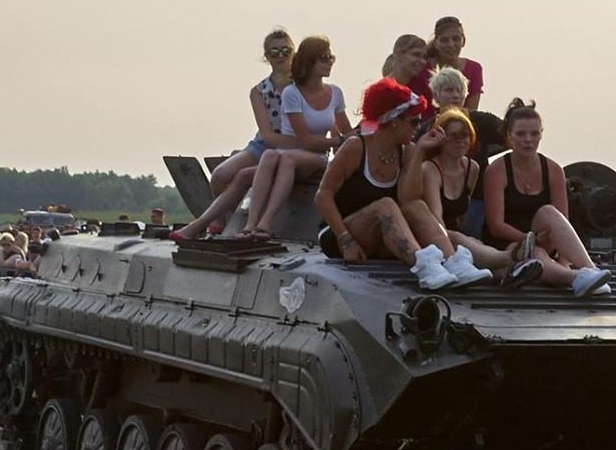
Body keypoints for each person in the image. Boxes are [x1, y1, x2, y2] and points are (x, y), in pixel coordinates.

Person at [314, 79, 489, 291]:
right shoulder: (356, 147)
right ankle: (423, 264)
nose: (417, 127)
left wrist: (420, 153)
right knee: (385, 204)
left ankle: (453, 261)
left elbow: (409, 199)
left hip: (384, 234)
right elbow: (323, 196)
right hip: (341, 235)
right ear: (394, 121)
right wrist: (345, 240)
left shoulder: (407, 151)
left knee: (416, 206)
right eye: (413, 122)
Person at [399, 107, 544, 288]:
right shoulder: (430, 169)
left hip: (456, 237)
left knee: (473, 244)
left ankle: (511, 272)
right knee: (457, 238)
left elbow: (462, 213)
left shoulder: (472, 168)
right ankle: (513, 256)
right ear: (441, 138)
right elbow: (436, 216)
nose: (461, 141)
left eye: (466, 135)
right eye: (454, 135)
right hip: (433, 236)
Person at [174, 30, 298, 240]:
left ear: (293, 52)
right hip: (264, 144)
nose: (281, 56)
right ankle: (225, 218)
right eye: (275, 51)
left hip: (293, 146)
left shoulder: (301, 87)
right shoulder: (259, 91)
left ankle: (240, 221)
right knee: (221, 175)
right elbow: (266, 134)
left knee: (245, 176)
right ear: (266, 56)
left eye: (285, 50)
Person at [479, 99, 611, 296]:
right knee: (534, 254)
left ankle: (590, 270)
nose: (528, 140)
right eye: (521, 134)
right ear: (509, 136)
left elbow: (562, 222)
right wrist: (529, 240)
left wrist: (562, 258)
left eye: (534, 134)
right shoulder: (497, 171)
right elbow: (496, 226)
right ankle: (575, 279)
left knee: (548, 212)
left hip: (544, 238)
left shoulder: (553, 170)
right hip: (508, 244)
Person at [242, 36, 349, 240]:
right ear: (310, 62)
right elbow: (304, 138)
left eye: (331, 58)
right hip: (294, 150)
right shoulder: (292, 93)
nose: (330, 62)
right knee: (270, 156)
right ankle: (250, 224)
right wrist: (337, 141)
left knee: (285, 159)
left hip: (316, 157)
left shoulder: (335, 93)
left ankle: (266, 223)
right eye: (324, 58)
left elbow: (345, 130)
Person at [427, 16, 485, 111]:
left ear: (463, 41)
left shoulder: (474, 69)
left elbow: (472, 111)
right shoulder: (422, 68)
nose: (451, 45)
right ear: (436, 43)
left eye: (456, 39)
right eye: (444, 40)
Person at [383, 33, 432, 98]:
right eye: (416, 55)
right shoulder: (382, 90)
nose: (422, 61)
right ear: (399, 55)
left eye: (424, 57)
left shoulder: (417, 92)